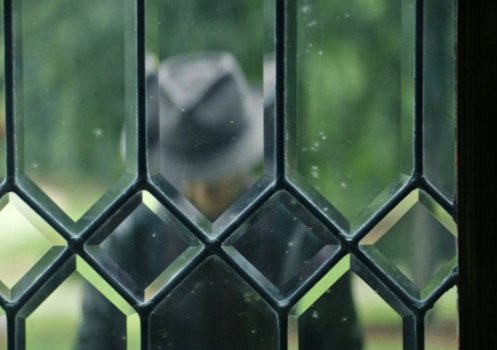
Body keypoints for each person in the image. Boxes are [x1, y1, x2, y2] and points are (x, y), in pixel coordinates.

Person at [76, 52, 362, 349]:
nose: (201, 194)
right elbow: (97, 341)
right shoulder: (129, 241)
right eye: (187, 178)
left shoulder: (303, 239)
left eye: (215, 178)